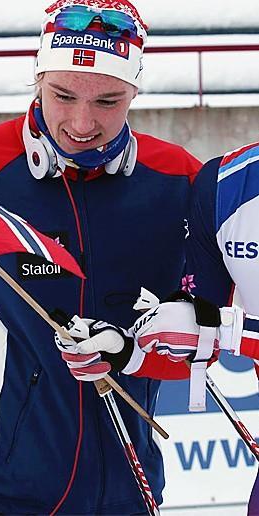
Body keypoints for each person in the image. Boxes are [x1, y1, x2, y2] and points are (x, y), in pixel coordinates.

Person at [0, 0, 202, 514]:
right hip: (7, 497)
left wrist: (147, 348)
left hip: (135, 491)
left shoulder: (179, 180)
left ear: (135, 90)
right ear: (38, 76)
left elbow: (211, 330)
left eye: (109, 101)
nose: (82, 123)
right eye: (62, 95)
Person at [58, 141, 259, 515]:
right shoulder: (224, 185)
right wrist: (127, 353)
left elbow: (222, 331)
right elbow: (199, 346)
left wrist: (233, 332)